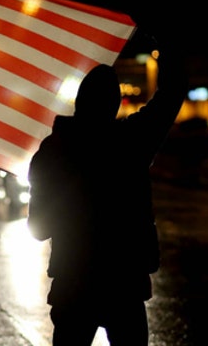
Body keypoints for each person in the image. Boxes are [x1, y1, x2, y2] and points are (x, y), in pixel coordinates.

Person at [26, 49, 187, 345]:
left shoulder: (52, 152)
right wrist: (166, 43)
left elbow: (38, 228)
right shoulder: (131, 142)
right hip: (124, 283)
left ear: (79, 104)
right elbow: (172, 94)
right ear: (114, 104)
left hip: (73, 283)